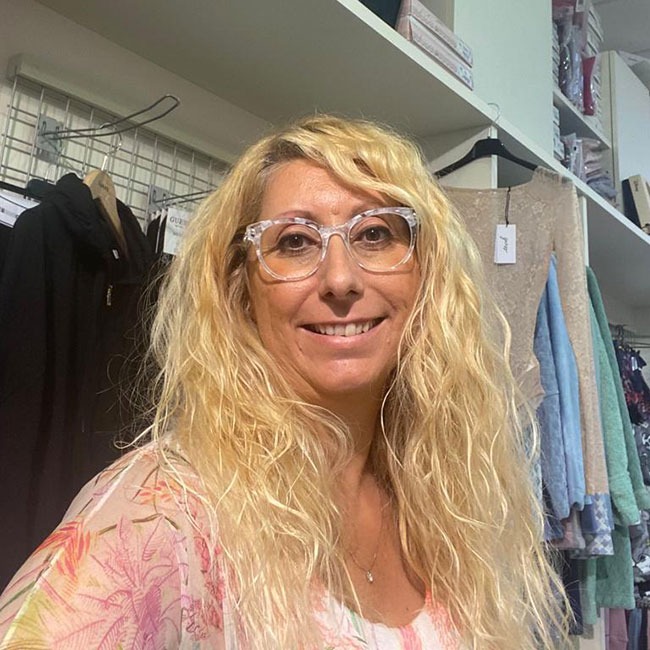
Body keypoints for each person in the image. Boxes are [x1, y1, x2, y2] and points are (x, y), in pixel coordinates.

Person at [0, 115, 567, 649]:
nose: (340, 278)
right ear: (241, 289)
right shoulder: (166, 512)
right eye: (294, 242)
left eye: (375, 234)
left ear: (428, 273)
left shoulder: (449, 493)